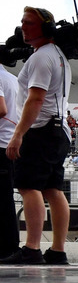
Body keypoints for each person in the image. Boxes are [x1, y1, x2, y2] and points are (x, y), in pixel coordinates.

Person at [1, 7, 72, 265]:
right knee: (53, 189)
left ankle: (31, 249)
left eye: (29, 23)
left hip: (41, 130)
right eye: (22, 22)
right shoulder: (58, 55)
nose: (23, 27)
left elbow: (36, 98)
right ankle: (57, 250)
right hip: (59, 130)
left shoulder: (42, 57)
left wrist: (18, 134)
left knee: (28, 186)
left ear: (46, 29)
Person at [0, 65, 19, 260]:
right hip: (10, 143)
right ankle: (9, 246)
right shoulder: (13, 79)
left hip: (1, 142)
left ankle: (7, 248)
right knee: (5, 198)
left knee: (3, 200)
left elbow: (1, 109)